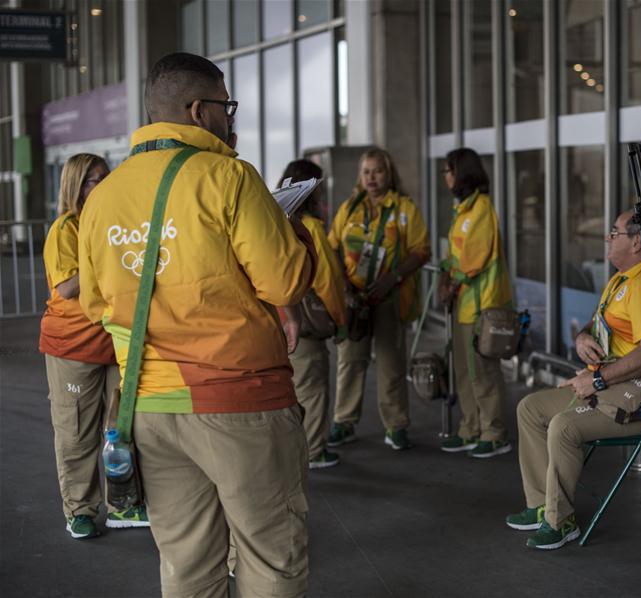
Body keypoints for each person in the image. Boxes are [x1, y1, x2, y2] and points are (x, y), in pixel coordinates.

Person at [78, 53, 316, 597]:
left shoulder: (105, 196)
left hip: (150, 410)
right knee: (269, 556)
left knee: (186, 565)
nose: (230, 119)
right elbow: (284, 285)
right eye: (225, 106)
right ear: (199, 110)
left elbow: (95, 303)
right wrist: (294, 234)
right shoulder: (229, 177)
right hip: (240, 404)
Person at [505, 210, 641, 550]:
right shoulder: (619, 280)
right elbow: (593, 326)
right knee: (530, 408)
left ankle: (560, 522)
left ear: (636, 241)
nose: (607, 237)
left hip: (634, 401)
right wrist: (581, 339)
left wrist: (598, 380)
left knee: (563, 426)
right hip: (603, 387)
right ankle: (539, 506)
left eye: (614, 232)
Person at [40, 153, 151, 539]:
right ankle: (79, 511)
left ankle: (122, 504)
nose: (102, 185)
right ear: (75, 185)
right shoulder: (65, 229)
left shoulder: (110, 222)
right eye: (92, 180)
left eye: (105, 177)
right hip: (72, 347)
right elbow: (68, 287)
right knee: (76, 434)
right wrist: (112, 263)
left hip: (115, 340)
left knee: (119, 430)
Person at [326, 148, 430, 451]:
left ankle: (396, 425)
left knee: (391, 363)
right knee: (350, 361)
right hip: (354, 299)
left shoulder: (404, 208)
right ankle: (343, 421)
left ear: (389, 174)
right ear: (360, 176)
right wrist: (343, 284)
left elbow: (422, 250)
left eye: (378, 171)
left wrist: (392, 278)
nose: (372, 177)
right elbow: (332, 246)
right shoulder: (349, 208)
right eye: (366, 172)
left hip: (390, 298)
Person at [437, 147, 515, 458]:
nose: (446, 175)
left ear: (462, 173)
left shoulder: (481, 207)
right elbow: (452, 256)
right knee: (464, 371)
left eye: (449, 169)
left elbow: (474, 259)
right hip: (463, 304)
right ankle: (470, 427)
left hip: (483, 305)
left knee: (483, 371)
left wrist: (450, 281)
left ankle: (494, 432)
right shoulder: (463, 210)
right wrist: (447, 281)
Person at [278, 159, 347, 469]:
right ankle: (315, 450)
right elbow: (328, 283)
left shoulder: (278, 221)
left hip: (280, 321)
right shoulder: (313, 230)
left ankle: (294, 449)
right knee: (313, 389)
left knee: (292, 390)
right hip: (305, 326)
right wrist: (341, 321)